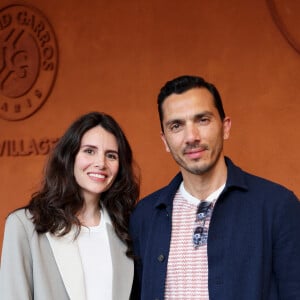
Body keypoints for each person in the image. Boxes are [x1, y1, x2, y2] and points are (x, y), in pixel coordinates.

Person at [129, 75, 300, 300]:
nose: (191, 137)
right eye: (176, 125)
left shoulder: (276, 206)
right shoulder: (145, 215)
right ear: (165, 141)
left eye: (202, 119)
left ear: (225, 127)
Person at [0, 111, 139, 300]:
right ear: (70, 156)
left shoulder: (127, 229)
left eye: (111, 156)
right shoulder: (24, 225)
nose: (101, 163)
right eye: (89, 151)